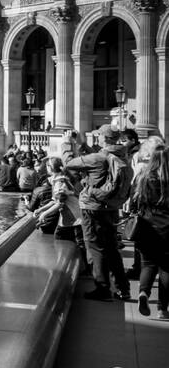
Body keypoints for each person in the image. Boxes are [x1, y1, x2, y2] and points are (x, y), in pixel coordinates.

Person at [65, 124, 134, 301]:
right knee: (111, 247)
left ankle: (103, 289)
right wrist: (82, 145)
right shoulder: (123, 156)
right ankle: (123, 288)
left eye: (99, 136)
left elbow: (68, 164)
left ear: (104, 138)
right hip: (111, 207)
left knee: (95, 246)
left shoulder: (98, 158)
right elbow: (95, 159)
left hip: (93, 207)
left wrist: (67, 144)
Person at [129, 138, 169, 317]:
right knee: (166, 268)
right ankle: (162, 308)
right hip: (167, 229)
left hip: (146, 227)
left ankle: (143, 293)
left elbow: (133, 203)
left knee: (148, 264)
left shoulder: (143, 178)